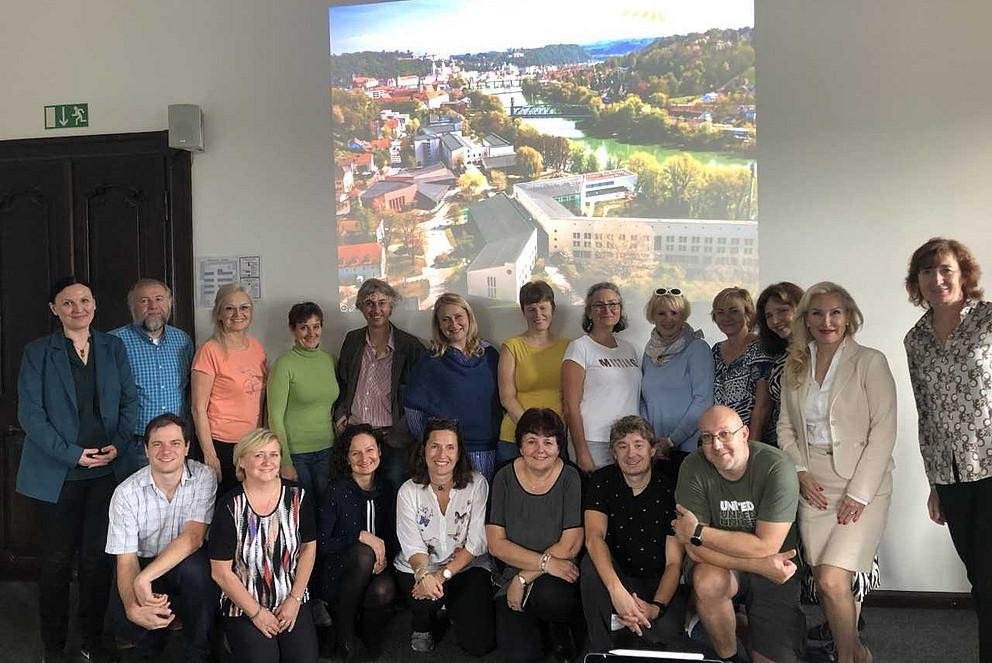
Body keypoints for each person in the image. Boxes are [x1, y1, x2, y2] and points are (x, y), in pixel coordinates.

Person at [16, 276, 138, 663]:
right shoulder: (38, 352)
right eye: (67, 303)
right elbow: (30, 415)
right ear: (54, 310)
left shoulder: (113, 346)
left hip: (106, 473)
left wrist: (119, 443)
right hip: (59, 474)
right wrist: (72, 454)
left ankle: (92, 639)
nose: (78, 308)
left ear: (95, 305)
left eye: (84, 300)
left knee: (96, 561)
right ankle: (53, 646)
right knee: (55, 563)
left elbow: (130, 400)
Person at [778, 282, 895, 663]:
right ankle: (855, 653)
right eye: (817, 313)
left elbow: (884, 429)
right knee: (829, 586)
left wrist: (859, 494)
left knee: (832, 577)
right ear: (805, 319)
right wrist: (798, 470)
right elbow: (785, 428)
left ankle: (849, 655)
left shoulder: (870, 361)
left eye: (836, 312)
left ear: (849, 317)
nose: (827, 321)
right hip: (814, 485)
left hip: (861, 484)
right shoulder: (794, 364)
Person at [904, 237, 992, 661]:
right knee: (978, 577)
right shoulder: (915, 339)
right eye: (926, 272)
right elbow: (926, 413)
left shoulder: (989, 320)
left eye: (945, 270)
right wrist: (934, 484)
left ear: (963, 274)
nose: (936, 279)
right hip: (950, 474)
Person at [673, 405, 805, 663]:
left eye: (724, 434)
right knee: (708, 582)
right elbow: (693, 549)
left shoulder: (776, 466)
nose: (716, 445)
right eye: (707, 437)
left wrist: (699, 531)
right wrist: (758, 564)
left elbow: (767, 546)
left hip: (778, 568)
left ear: (744, 433)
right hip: (726, 565)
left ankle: (752, 627)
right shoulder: (693, 466)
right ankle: (729, 657)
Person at [106, 413, 218, 663]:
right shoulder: (125, 494)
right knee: (133, 632)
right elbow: (126, 561)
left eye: (175, 443)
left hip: (183, 564)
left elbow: (193, 538)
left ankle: (197, 652)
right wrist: (132, 608)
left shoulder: (204, 477)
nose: (166, 450)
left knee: (197, 571)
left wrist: (143, 580)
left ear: (187, 447)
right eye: (157, 444)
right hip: (142, 563)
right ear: (146, 450)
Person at [208, 428, 319, 663]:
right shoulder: (229, 506)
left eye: (274, 454)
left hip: (291, 596)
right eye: (258, 455)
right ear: (242, 462)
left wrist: (294, 599)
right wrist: (257, 613)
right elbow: (221, 573)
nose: (267, 462)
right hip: (244, 603)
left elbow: (309, 548)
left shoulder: (299, 497)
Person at [581, 415, 688, 653]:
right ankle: (602, 650)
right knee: (590, 565)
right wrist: (617, 593)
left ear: (652, 450)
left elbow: (673, 563)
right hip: (616, 578)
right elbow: (593, 537)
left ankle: (627, 625)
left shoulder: (669, 489)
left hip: (656, 582)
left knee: (664, 636)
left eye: (638, 445)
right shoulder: (601, 481)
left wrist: (656, 607)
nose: (631, 454)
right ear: (614, 453)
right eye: (622, 446)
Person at [487, 408, 584, 663]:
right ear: (519, 445)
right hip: (510, 573)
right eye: (532, 441)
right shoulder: (503, 477)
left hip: (557, 573)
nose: (540, 450)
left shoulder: (571, 476)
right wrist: (518, 578)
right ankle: (537, 630)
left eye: (548, 442)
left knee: (552, 598)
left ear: (559, 447)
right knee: (518, 657)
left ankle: (558, 630)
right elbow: (496, 545)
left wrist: (525, 577)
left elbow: (571, 545)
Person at [394, 418, 494, 656]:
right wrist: (424, 575)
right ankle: (423, 625)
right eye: (435, 446)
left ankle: (451, 605)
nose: (442, 454)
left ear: (459, 452)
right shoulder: (408, 491)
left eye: (450, 447)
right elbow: (412, 545)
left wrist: (442, 575)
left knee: (480, 645)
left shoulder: (476, 484)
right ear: (424, 449)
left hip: (466, 565)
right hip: (419, 567)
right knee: (424, 599)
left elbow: (477, 542)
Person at [335, 279, 426, 494]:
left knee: (394, 489)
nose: (376, 309)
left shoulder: (410, 345)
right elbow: (342, 384)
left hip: (392, 437)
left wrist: (402, 431)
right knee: (353, 492)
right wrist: (340, 415)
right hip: (355, 433)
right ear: (360, 307)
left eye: (382, 303)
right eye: (369, 303)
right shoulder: (352, 340)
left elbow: (421, 395)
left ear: (391, 306)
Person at [317, 425, 397, 661]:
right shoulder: (336, 490)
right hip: (340, 570)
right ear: (347, 458)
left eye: (370, 450)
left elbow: (393, 536)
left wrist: (383, 557)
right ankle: (344, 636)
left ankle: (359, 632)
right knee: (363, 554)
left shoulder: (387, 488)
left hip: (376, 569)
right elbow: (321, 543)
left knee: (383, 590)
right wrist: (359, 536)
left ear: (380, 452)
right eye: (356, 453)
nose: (365, 458)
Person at [404, 293, 501, 481]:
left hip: (487, 449)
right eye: (445, 319)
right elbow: (412, 410)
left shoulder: (490, 355)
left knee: (483, 507)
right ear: (439, 325)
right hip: (447, 456)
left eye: (458, 317)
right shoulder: (430, 361)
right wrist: (433, 443)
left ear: (468, 317)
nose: (453, 324)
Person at [111, 278, 194, 475]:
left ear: (170, 303)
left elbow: (190, 387)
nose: (153, 306)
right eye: (144, 301)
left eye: (159, 299)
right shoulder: (114, 342)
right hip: (134, 445)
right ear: (132, 306)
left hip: (176, 444)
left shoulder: (182, 340)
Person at [191, 283, 267, 498]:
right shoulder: (210, 351)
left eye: (244, 308)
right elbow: (198, 408)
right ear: (219, 314)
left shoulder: (257, 347)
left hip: (252, 443)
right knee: (226, 508)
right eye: (229, 308)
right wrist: (210, 454)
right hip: (222, 445)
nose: (238, 314)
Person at [563, 282, 640, 472]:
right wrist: (582, 452)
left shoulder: (629, 349)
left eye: (613, 304)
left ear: (620, 309)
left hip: (627, 443)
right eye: (599, 305)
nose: (607, 309)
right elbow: (570, 406)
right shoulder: (579, 348)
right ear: (589, 312)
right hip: (593, 442)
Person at [267, 301, 338, 500]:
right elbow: (275, 417)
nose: (311, 333)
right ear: (293, 330)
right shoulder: (284, 365)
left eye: (316, 326)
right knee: (303, 513)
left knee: (327, 509)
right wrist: (285, 461)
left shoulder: (330, 360)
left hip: (327, 450)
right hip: (297, 455)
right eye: (303, 327)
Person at [497, 280, 571, 465]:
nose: (538, 314)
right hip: (515, 438)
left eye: (543, 307)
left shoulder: (569, 347)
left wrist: (547, 434)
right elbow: (507, 397)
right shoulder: (511, 347)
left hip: (555, 440)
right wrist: (530, 432)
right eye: (531, 309)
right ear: (523, 312)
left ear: (552, 309)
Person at [639, 287, 713, 454]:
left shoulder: (697, 348)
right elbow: (643, 398)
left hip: (689, 447)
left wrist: (672, 440)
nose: (668, 319)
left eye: (674, 313)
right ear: (652, 316)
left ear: (683, 315)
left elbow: (703, 401)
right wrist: (650, 438)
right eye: (661, 313)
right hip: (655, 448)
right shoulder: (649, 352)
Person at [711, 287, 772, 442]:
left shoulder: (761, 348)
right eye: (720, 312)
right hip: (723, 441)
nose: (727, 317)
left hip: (753, 440)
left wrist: (751, 445)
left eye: (734, 311)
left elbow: (763, 405)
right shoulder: (715, 351)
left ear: (748, 314)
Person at [755, 281, 804, 449]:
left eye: (783, 311)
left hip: (807, 449)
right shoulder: (779, 356)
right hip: (778, 445)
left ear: (801, 309)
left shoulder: (818, 353)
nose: (775, 320)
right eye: (769, 316)